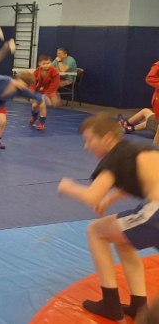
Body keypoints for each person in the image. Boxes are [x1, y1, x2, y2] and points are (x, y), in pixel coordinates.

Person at [57, 114, 159, 321]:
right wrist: (110, 199)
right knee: (124, 241)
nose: (86, 146)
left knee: (95, 231)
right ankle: (138, 306)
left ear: (107, 138)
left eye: (89, 140)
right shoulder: (138, 149)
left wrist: (68, 187)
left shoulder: (115, 157)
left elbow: (91, 196)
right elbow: (136, 182)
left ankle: (110, 303)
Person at [30, 55, 61, 131]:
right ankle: (34, 116)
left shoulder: (55, 71)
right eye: (44, 63)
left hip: (49, 90)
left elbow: (55, 85)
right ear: (39, 63)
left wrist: (47, 94)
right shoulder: (37, 70)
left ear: (50, 62)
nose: (46, 65)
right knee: (34, 105)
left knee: (42, 106)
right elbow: (32, 82)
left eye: (48, 63)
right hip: (38, 90)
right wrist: (31, 93)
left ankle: (41, 124)